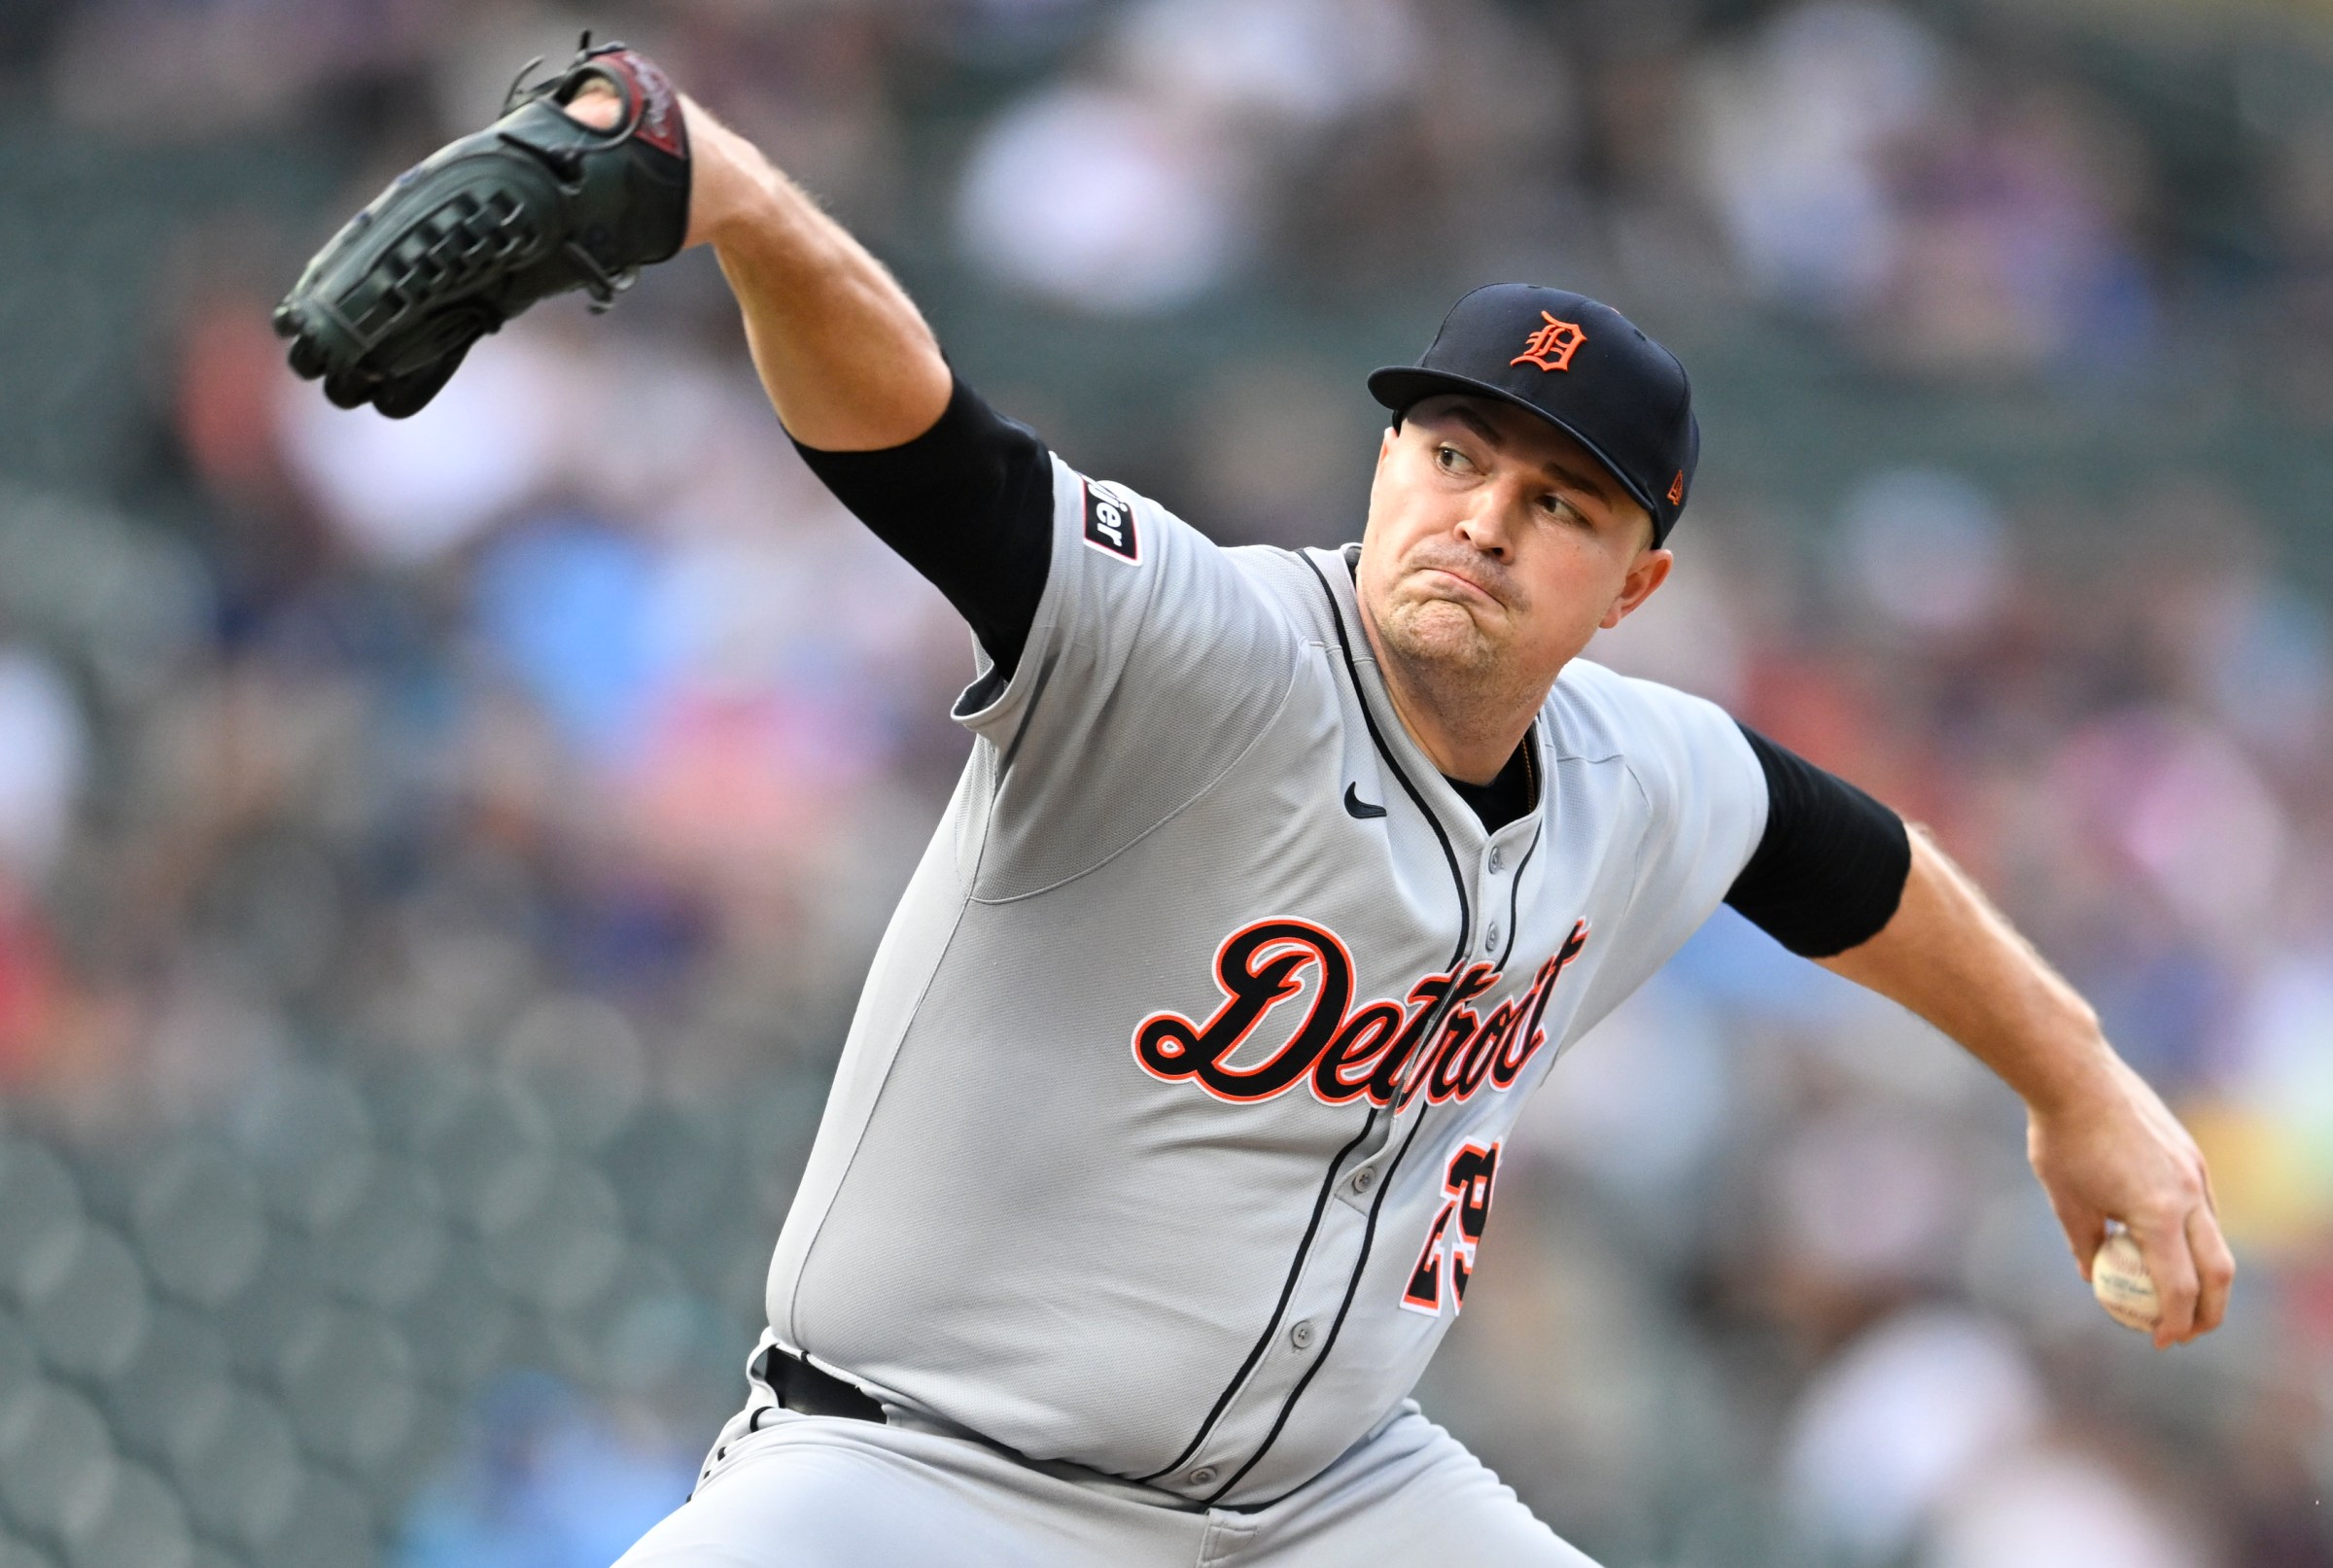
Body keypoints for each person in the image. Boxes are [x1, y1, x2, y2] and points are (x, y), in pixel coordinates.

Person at [309, 55, 2238, 1568]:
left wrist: (2077, 1081)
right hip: (934, 1481)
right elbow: (930, 448)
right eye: (1455, 450)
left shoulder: (1641, 772)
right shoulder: (1206, 643)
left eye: (1555, 502)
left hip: (1331, 1507)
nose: (1482, 514)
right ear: (1387, 456)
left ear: (1634, 582)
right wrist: (737, 202)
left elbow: (1832, 852)